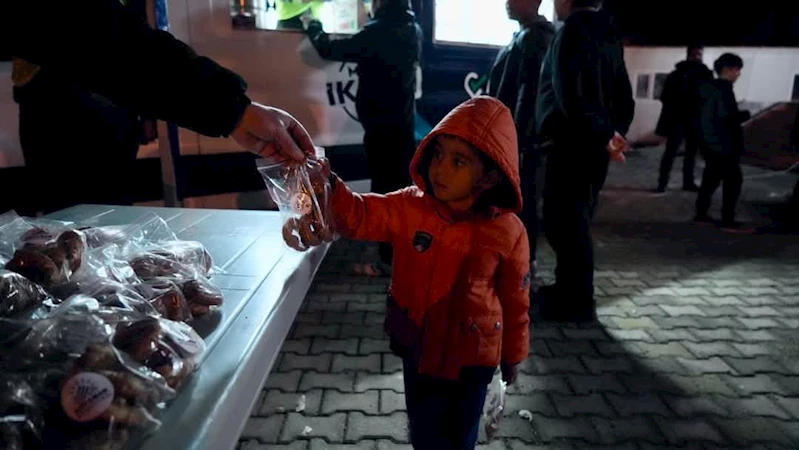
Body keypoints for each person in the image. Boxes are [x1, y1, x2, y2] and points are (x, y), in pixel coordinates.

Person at [308, 96, 530, 450]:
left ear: (489, 176)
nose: (440, 169)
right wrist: (328, 186)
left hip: (473, 358)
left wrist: (513, 355)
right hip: (418, 348)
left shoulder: (509, 232)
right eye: (438, 154)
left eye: (459, 161)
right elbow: (360, 214)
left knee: (460, 436)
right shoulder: (410, 207)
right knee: (423, 431)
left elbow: (516, 301)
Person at [4, 0, 315, 178]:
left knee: (101, 221)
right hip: (57, 101)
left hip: (106, 101)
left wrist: (234, 112)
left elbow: (100, 35)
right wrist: (232, 110)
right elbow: (83, 30)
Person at [534, 0, 634, 322]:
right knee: (576, 219)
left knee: (563, 222)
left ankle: (575, 301)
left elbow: (568, 93)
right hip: (594, 146)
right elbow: (624, 96)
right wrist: (614, 134)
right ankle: (569, 290)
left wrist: (600, 134)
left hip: (569, 143)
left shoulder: (571, 32)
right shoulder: (609, 35)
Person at [305, 0, 422, 277]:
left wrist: (313, 24)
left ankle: (388, 262)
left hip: (381, 129)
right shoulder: (412, 28)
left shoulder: (378, 32)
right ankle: (404, 256)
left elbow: (328, 49)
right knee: (401, 190)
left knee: (384, 192)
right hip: (403, 126)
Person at [486, 0, 555, 273]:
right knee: (518, 200)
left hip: (520, 141)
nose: (507, 3)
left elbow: (529, 94)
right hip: (517, 138)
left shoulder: (534, 38)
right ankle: (520, 262)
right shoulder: (528, 35)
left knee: (520, 201)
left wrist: (516, 140)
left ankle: (522, 265)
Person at [694, 53, 753, 233]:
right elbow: (726, 117)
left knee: (710, 180)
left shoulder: (707, 88)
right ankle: (727, 220)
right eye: (737, 70)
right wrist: (744, 115)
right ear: (727, 69)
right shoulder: (723, 89)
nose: (738, 74)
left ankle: (701, 215)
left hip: (710, 142)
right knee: (733, 181)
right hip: (724, 144)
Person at [653, 45, 713, 193]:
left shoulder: (705, 75)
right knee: (672, 152)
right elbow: (665, 96)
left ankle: (686, 183)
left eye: (699, 54)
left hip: (694, 119)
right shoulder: (677, 74)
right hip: (679, 119)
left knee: (690, 153)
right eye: (694, 54)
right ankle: (663, 183)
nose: (697, 57)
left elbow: (710, 97)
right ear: (688, 55)